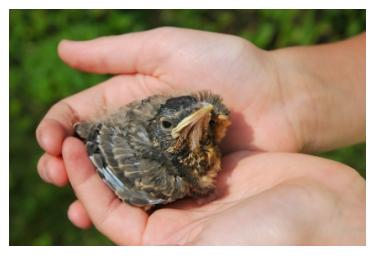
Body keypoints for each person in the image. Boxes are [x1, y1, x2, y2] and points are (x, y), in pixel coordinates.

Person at [36, 27, 365, 245]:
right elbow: (95, 146)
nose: (197, 123)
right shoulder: (163, 177)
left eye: (200, 120)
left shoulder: (209, 130)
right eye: (168, 128)